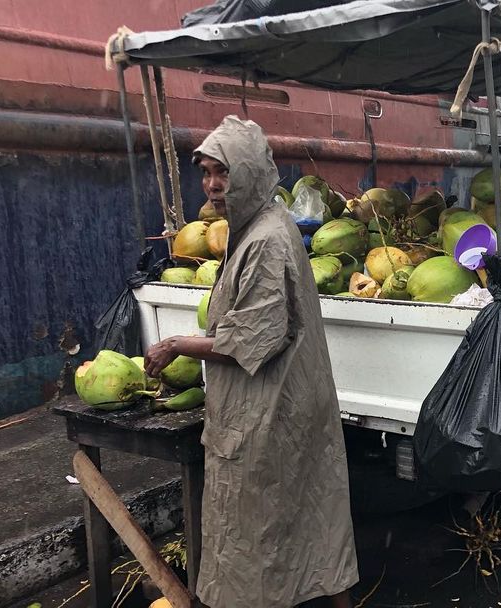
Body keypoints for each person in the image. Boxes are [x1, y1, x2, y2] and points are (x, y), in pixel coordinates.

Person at [144, 115, 359, 608]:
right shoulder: (263, 223)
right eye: (206, 173)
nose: (213, 186)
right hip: (289, 400)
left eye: (224, 173)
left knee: (259, 533)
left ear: (251, 174)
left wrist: (175, 343)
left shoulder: (263, 239)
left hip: (272, 409)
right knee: (314, 517)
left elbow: (250, 339)